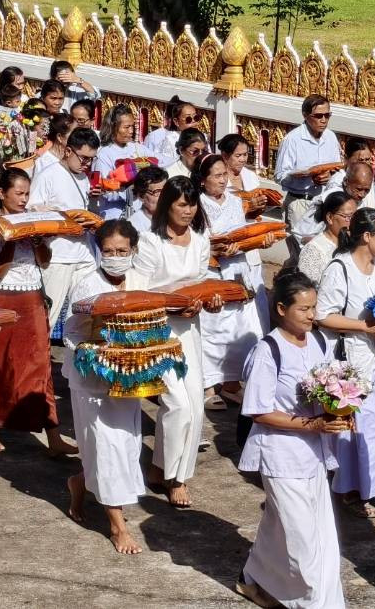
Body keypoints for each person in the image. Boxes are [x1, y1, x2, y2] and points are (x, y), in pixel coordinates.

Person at [236, 269, 346, 609]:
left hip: (314, 456)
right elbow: (257, 410)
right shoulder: (268, 351)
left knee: (309, 535)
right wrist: (311, 424)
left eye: (314, 307)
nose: (312, 315)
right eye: (304, 309)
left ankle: (253, 578)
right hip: (281, 457)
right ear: (282, 309)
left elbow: (335, 387)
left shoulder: (320, 341)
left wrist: (343, 411)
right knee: (303, 546)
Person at [0, 168, 80, 457]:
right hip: (1, 299)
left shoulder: (30, 222)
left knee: (40, 365)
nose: (23, 199)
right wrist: (11, 239)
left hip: (31, 298)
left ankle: (52, 432)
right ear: (1, 193)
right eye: (18, 193)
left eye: (26, 193)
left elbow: (43, 262)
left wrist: (36, 240)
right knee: (0, 364)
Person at [134, 175, 222, 509]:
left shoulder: (201, 241)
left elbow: (201, 284)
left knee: (195, 406)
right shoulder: (149, 242)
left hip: (189, 330)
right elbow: (139, 292)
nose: (188, 211)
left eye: (192, 204)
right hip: (157, 330)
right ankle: (174, 478)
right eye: (181, 204)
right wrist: (173, 301)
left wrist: (208, 301)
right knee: (177, 404)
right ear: (168, 204)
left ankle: (163, 469)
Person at [63, 220, 151, 555]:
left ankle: (80, 481)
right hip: (92, 380)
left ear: (133, 251)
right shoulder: (86, 283)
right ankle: (118, 527)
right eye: (109, 251)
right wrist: (98, 356)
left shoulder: (141, 280)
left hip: (130, 378)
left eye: (122, 251)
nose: (115, 257)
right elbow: (71, 333)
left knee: (125, 446)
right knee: (107, 447)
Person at [316, 206, 375, 516]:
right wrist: (366, 326)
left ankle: (374, 483)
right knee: (354, 425)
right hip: (350, 355)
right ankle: (351, 488)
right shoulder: (340, 268)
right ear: (366, 236)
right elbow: (323, 315)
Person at [199, 152, 269, 406]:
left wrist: (254, 241)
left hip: (238, 269)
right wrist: (215, 249)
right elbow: (197, 241)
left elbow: (243, 233)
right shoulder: (197, 204)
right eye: (216, 175)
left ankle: (231, 383)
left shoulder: (235, 202)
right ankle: (209, 386)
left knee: (241, 326)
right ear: (203, 179)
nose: (221, 180)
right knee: (213, 327)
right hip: (212, 269)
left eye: (224, 174)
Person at [30, 126, 100, 335]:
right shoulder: (48, 174)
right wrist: (64, 218)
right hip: (58, 255)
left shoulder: (84, 178)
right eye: (84, 158)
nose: (86, 164)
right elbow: (33, 210)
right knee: (48, 317)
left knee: (84, 314)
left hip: (84, 253)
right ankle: (37, 363)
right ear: (68, 151)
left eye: (91, 160)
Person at [274, 97, 341, 247]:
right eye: (318, 116)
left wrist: (329, 176)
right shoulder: (292, 140)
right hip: (300, 203)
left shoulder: (331, 137)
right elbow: (279, 176)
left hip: (324, 203)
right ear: (305, 115)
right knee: (301, 252)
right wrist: (303, 176)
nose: (323, 120)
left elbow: (337, 168)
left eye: (327, 115)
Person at [92, 103, 146, 220]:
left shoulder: (136, 148)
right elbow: (104, 191)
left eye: (133, 126)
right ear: (113, 127)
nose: (131, 131)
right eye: (126, 127)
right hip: (113, 213)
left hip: (138, 210)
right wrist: (131, 190)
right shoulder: (104, 154)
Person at [298, 192, 356, 285]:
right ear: (330, 217)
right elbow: (307, 289)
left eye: (355, 217)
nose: (353, 222)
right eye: (348, 217)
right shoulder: (314, 250)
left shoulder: (352, 243)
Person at [145, 96, 199, 166]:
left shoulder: (200, 137)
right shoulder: (167, 139)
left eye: (196, 117)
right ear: (175, 121)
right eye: (188, 119)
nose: (193, 122)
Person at [125, 164, 168, 233]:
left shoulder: (175, 217)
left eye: (166, 190)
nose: (164, 196)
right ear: (141, 196)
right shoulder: (132, 227)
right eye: (157, 191)